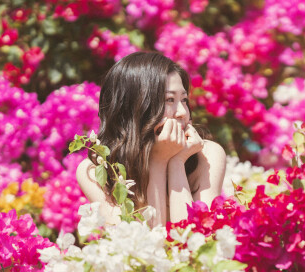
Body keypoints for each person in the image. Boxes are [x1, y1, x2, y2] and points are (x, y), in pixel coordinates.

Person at [77, 51, 226, 226]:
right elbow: (146, 239)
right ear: (135, 108)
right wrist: (158, 161)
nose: (182, 112)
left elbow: (195, 236)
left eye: (184, 100)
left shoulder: (206, 155)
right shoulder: (95, 171)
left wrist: (177, 162)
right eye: (169, 100)